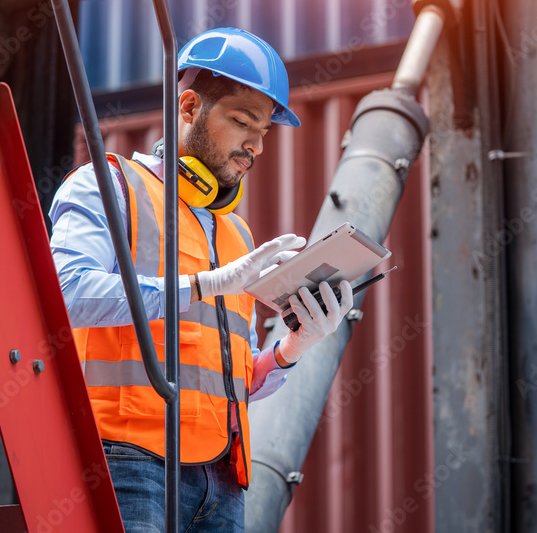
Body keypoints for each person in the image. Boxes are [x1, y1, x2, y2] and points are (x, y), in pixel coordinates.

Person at [48, 27, 354, 532]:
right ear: (188, 108)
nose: (256, 146)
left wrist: (291, 350)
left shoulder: (236, 235)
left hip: (222, 480)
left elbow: (221, 384)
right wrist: (205, 285)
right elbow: (67, 293)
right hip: (129, 462)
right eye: (242, 122)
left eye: (264, 133)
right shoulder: (110, 185)